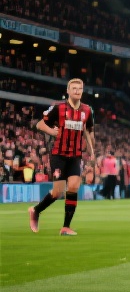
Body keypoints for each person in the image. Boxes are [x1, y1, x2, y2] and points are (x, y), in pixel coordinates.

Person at [28, 78, 96, 236]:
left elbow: (88, 130)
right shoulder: (58, 108)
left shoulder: (87, 110)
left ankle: (66, 227)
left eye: (80, 88)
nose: (77, 91)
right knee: (58, 192)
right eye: (74, 88)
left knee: (73, 186)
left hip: (76, 155)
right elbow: (39, 124)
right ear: (68, 91)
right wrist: (52, 131)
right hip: (58, 154)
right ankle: (36, 210)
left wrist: (92, 150)